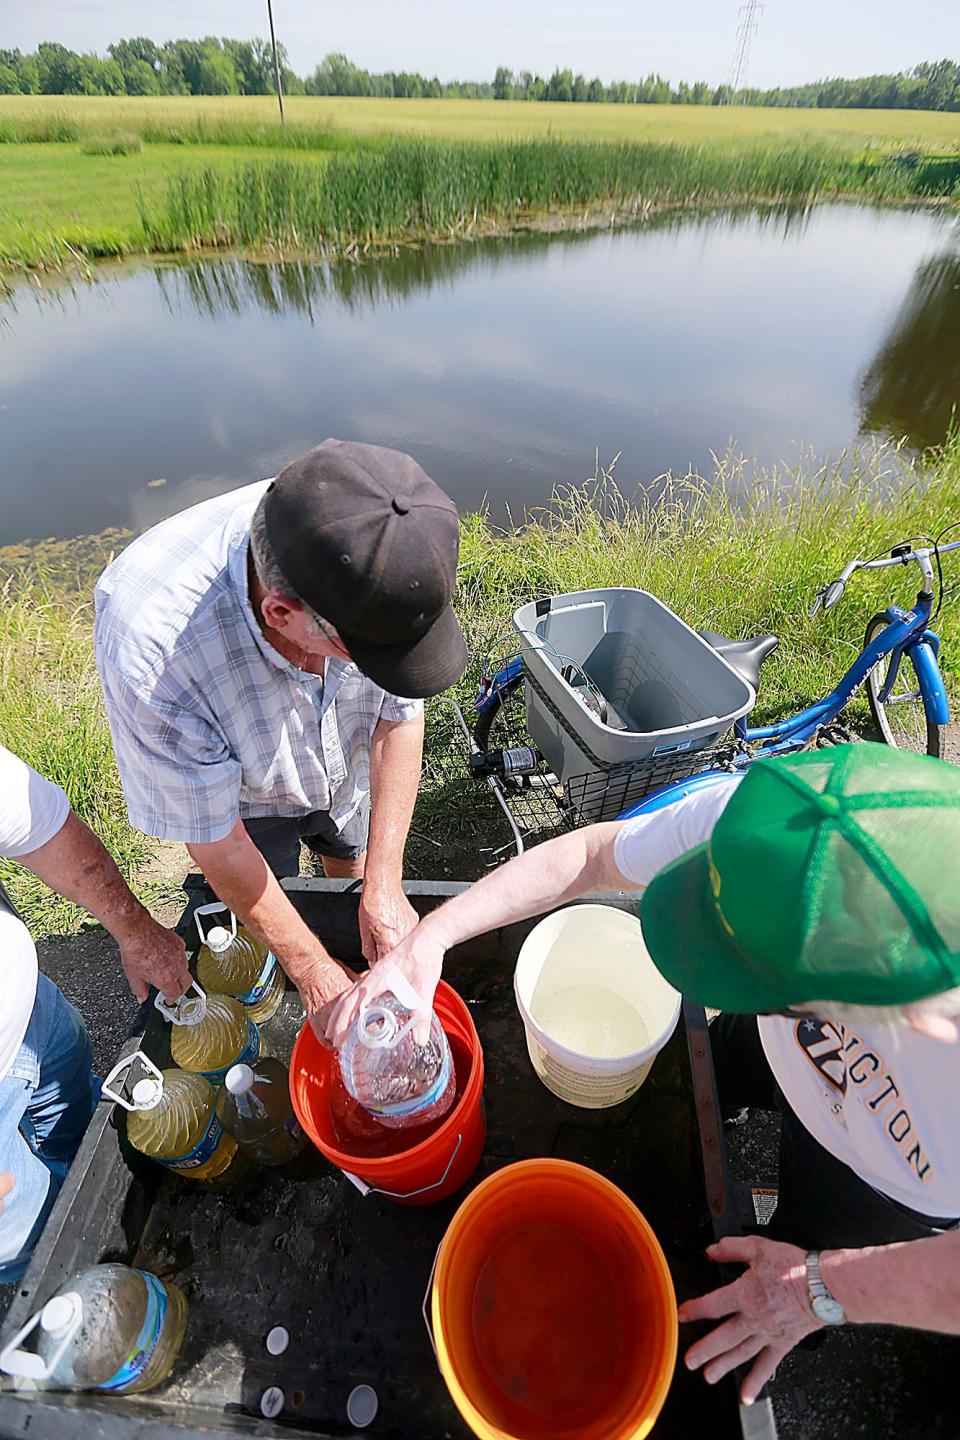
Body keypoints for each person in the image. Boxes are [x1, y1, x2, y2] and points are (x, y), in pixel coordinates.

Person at [329, 744, 960, 1402]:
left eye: (742, 970)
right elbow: (590, 857)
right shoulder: (789, 825)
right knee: (718, 1079)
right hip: (786, 1043)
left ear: (898, 1014)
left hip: (886, 1177)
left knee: (795, 1261)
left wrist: (822, 1289)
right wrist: (432, 937)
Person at [94, 439, 467, 1032]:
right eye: (365, 654)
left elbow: (399, 714)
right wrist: (313, 972)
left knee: (352, 855)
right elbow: (219, 842)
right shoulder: (153, 648)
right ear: (282, 614)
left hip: (342, 757)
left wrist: (385, 886)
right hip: (244, 801)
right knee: (268, 909)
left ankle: (353, 904)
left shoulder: (379, 545)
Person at [0, 742, 190, 1283]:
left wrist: (135, 929)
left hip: (26, 1009)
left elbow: (37, 823)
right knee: (42, 1240)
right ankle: (99, 1285)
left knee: (85, 1123)